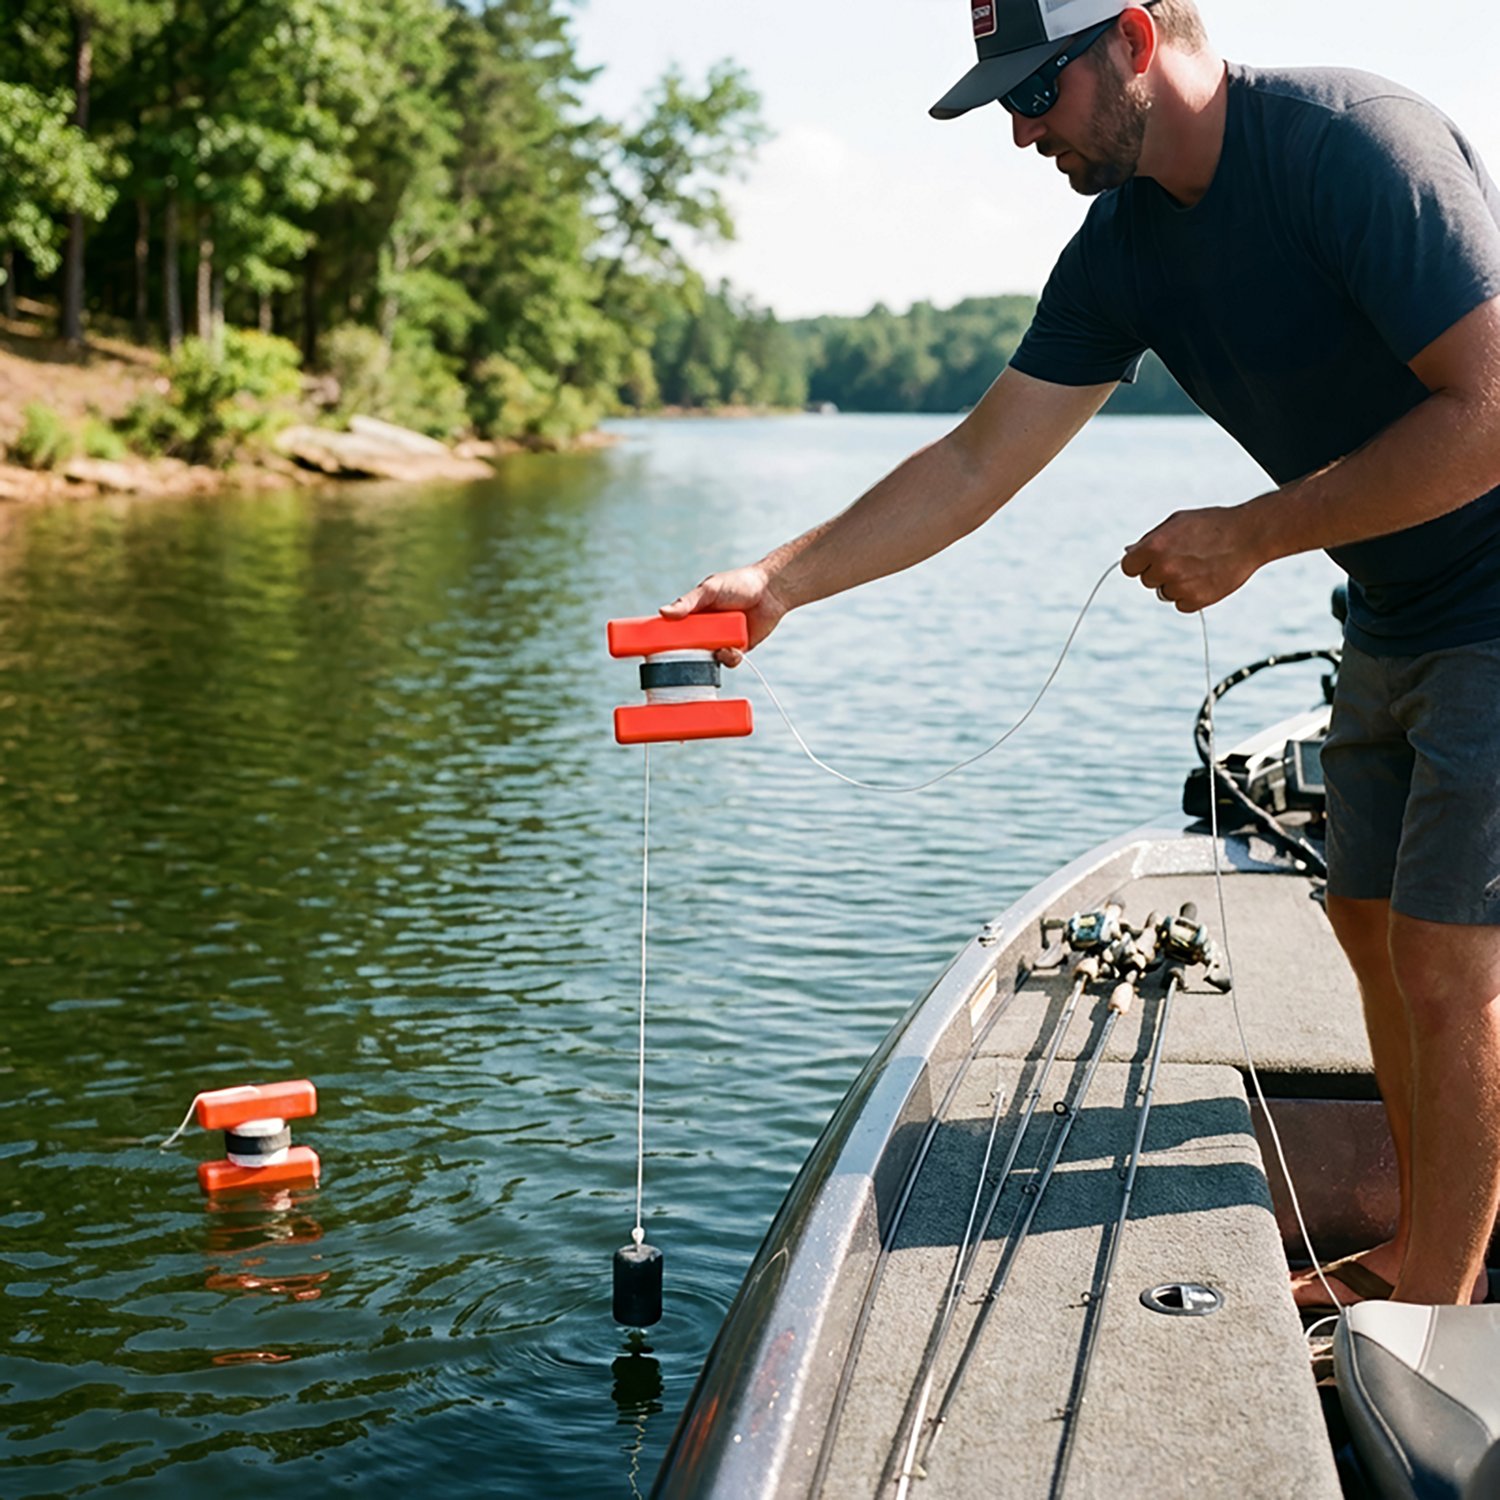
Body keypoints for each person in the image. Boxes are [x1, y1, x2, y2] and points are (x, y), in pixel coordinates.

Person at [662, 0, 1500, 1309]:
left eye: (1036, 91)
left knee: (1450, 956)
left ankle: (1437, 1295)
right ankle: (1416, 1216)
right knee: (1365, 916)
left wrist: (1256, 532)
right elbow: (978, 458)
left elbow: (1493, 405)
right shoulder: (1123, 254)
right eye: (1003, 100)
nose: (1018, 131)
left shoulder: (1356, 148)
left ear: (1135, 36)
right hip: (1394, 603)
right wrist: (782, 579)